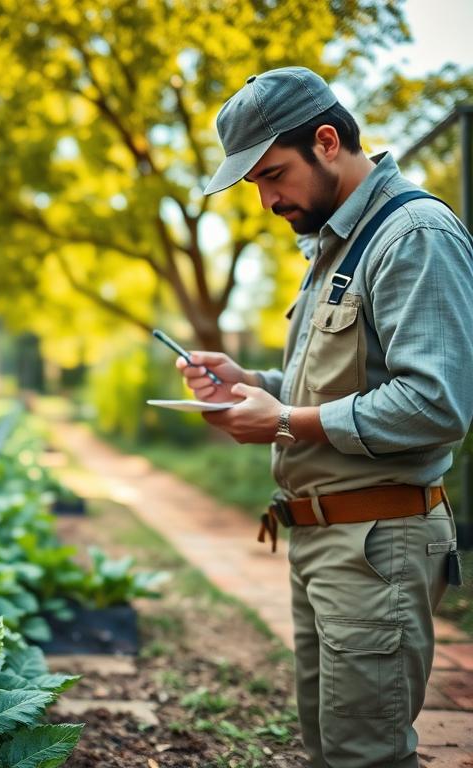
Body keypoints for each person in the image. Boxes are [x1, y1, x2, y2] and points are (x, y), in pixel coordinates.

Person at [176, 66, 473, 768]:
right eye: (255, 185)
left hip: (378, 546)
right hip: (324, 542)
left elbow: (437, 405)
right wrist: (255, 384)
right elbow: (335, 385)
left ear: (328, 141)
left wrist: (283, 422)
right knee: (333, 750)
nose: (268, 199)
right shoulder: (334, 247)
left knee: (363, 756)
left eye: (273, 175)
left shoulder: (413, 235)